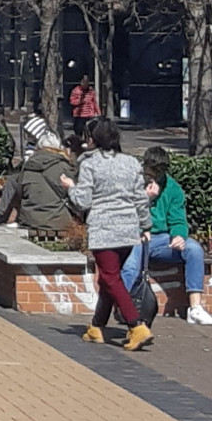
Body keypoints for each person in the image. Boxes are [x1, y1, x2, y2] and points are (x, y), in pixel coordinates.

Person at [62, 120, 152, 351]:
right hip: (129, 230)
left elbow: (83, 201)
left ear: (94, 139)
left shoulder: (90, 164)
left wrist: (70, 186)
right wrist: (145, 225)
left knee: (111, 279)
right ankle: (96, 326)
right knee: (107, 280)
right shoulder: (132, 163)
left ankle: (136, 325)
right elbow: (140, 199)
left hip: (104, 230)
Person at [121, 148, 212, 325]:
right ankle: (124, 308)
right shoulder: (131, 181)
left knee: (194, 250)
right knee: (130, 266)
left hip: (160, 240)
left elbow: (178, 220)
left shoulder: (173, 188)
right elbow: (123, 213)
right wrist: (146, 198)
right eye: (150, 173)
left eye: (158, 174)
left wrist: (178, 236)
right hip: (134, 236)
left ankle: (195, 308)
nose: (153, 178)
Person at [0, 117, 76, 233]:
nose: (27, 136)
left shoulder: (32, 161)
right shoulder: (63, 166)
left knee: (16, 183)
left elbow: (21, 191)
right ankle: (4, 215)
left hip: (30, 220)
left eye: (29, 134)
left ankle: (3, 215)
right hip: (57, 221)